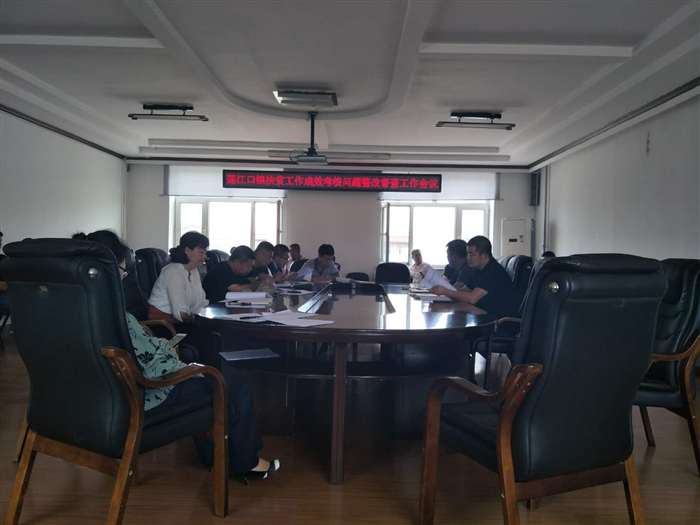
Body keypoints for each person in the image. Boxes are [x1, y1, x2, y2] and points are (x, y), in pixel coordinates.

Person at [79, 229, 279, 478]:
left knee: (214, 365)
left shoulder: (81, 312)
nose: (124, 276)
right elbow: (148, 359)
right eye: (121, 270)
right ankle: (246, 461)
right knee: (233, 384)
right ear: (104, 272)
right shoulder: (116, 315)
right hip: (147, 392)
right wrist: (181, 362)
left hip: (109, 397)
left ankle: (214, 454)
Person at [431, 235, 519, 318]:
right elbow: (464, 290)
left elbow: (472, 298)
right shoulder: (477, 270)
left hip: (498, 320)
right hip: (483, 313)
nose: (468, 258)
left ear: (484, 255)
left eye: (471, 254)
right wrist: (443, 291)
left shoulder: (492, 271)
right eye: (467, 254)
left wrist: (445, 291)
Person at [147, 231, 209, 323]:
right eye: (201, 252)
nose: (205, 257)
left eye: (205, 252)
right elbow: (180, 313)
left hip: (181, 320)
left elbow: (200, 302)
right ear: (187, 251)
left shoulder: (193, 270)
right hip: (162, 322)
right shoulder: (173, 271)